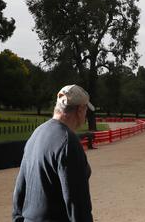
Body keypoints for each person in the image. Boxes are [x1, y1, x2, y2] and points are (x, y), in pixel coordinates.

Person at [12, 84, 95, 222]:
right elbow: (76, 202)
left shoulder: (37, 133)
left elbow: (20, 187)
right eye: (86, 109)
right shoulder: (68, 141)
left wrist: (17, 218)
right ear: (80, 109)